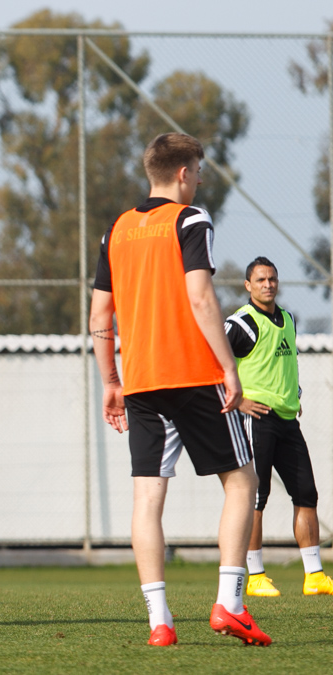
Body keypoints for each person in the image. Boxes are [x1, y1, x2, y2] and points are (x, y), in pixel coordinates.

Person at [90, 132, 269, 647]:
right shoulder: (191, 220)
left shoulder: (116, 230)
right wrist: (229, 368)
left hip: (141, 382)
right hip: (194, 375)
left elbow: (100, 315)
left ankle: (160, 622)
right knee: (242, 481)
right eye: (200, 171)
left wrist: (110, 381)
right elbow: (200, 297)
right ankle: (230, 604)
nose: (201, 180)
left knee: (147, 497)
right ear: (185, 173)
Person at [225, 257, 333, 597]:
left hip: (288, 420)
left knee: (306, 494)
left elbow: (284, 362)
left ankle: (314, 575)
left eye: (272, 278)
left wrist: (294, 394)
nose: (268, 284)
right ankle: (256, 576)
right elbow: (211, 359)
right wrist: (238, 401)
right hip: (256, 419)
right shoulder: (241, 323)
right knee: (256, 497)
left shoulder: (287, 318)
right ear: (248, 285)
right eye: (260, 280)